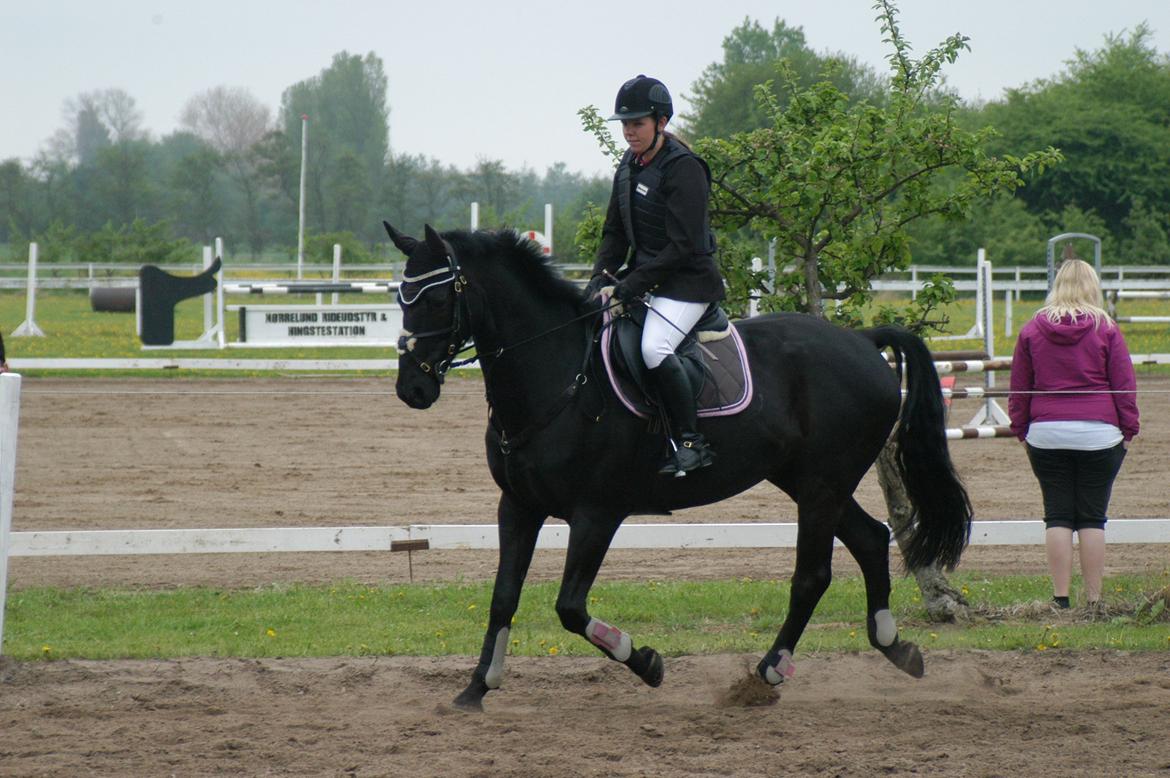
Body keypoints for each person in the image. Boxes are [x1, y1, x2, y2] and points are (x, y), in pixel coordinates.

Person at [584, 74, 726, 476]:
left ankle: (690, 442)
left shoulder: (684, 169)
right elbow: (613, 231)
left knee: (653, 349)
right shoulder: (628, 167)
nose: (630, 132)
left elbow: (682, 247)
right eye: (625, 124)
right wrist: (601, 276)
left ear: (661, 122)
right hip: (648, 279)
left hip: (687, 284)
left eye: (638, 123)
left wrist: (630, 286)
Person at [1008, 255, 1139, 611]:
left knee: (1058, 515)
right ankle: (1095, 600)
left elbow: (1019, 386)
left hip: (1047, 432)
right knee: (1092, 518)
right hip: (1099, 433)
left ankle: (1060, 598)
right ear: (1091, 286)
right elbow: (1123, 384)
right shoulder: (1106, 329)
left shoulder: (1032, 329)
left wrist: (1020, 429)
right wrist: (1129, 428)